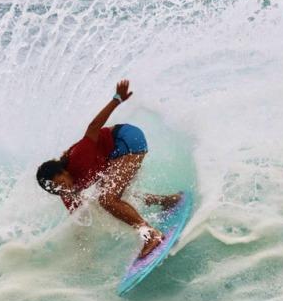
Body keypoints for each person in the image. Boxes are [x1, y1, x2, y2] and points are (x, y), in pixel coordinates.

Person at [37, 80, 180, 258]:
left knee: (107, 198)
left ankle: (151, 235)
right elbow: (80, 218)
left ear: (63, 171)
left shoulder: (78, 155)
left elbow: (94, 127)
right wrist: (82, 250)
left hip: (126, 138)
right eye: (57, 190)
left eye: (61, 183)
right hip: (115, 154)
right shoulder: (66, 192)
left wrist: (117, 98)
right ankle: (167, 201)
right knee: (111, 196)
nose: (63, 189)